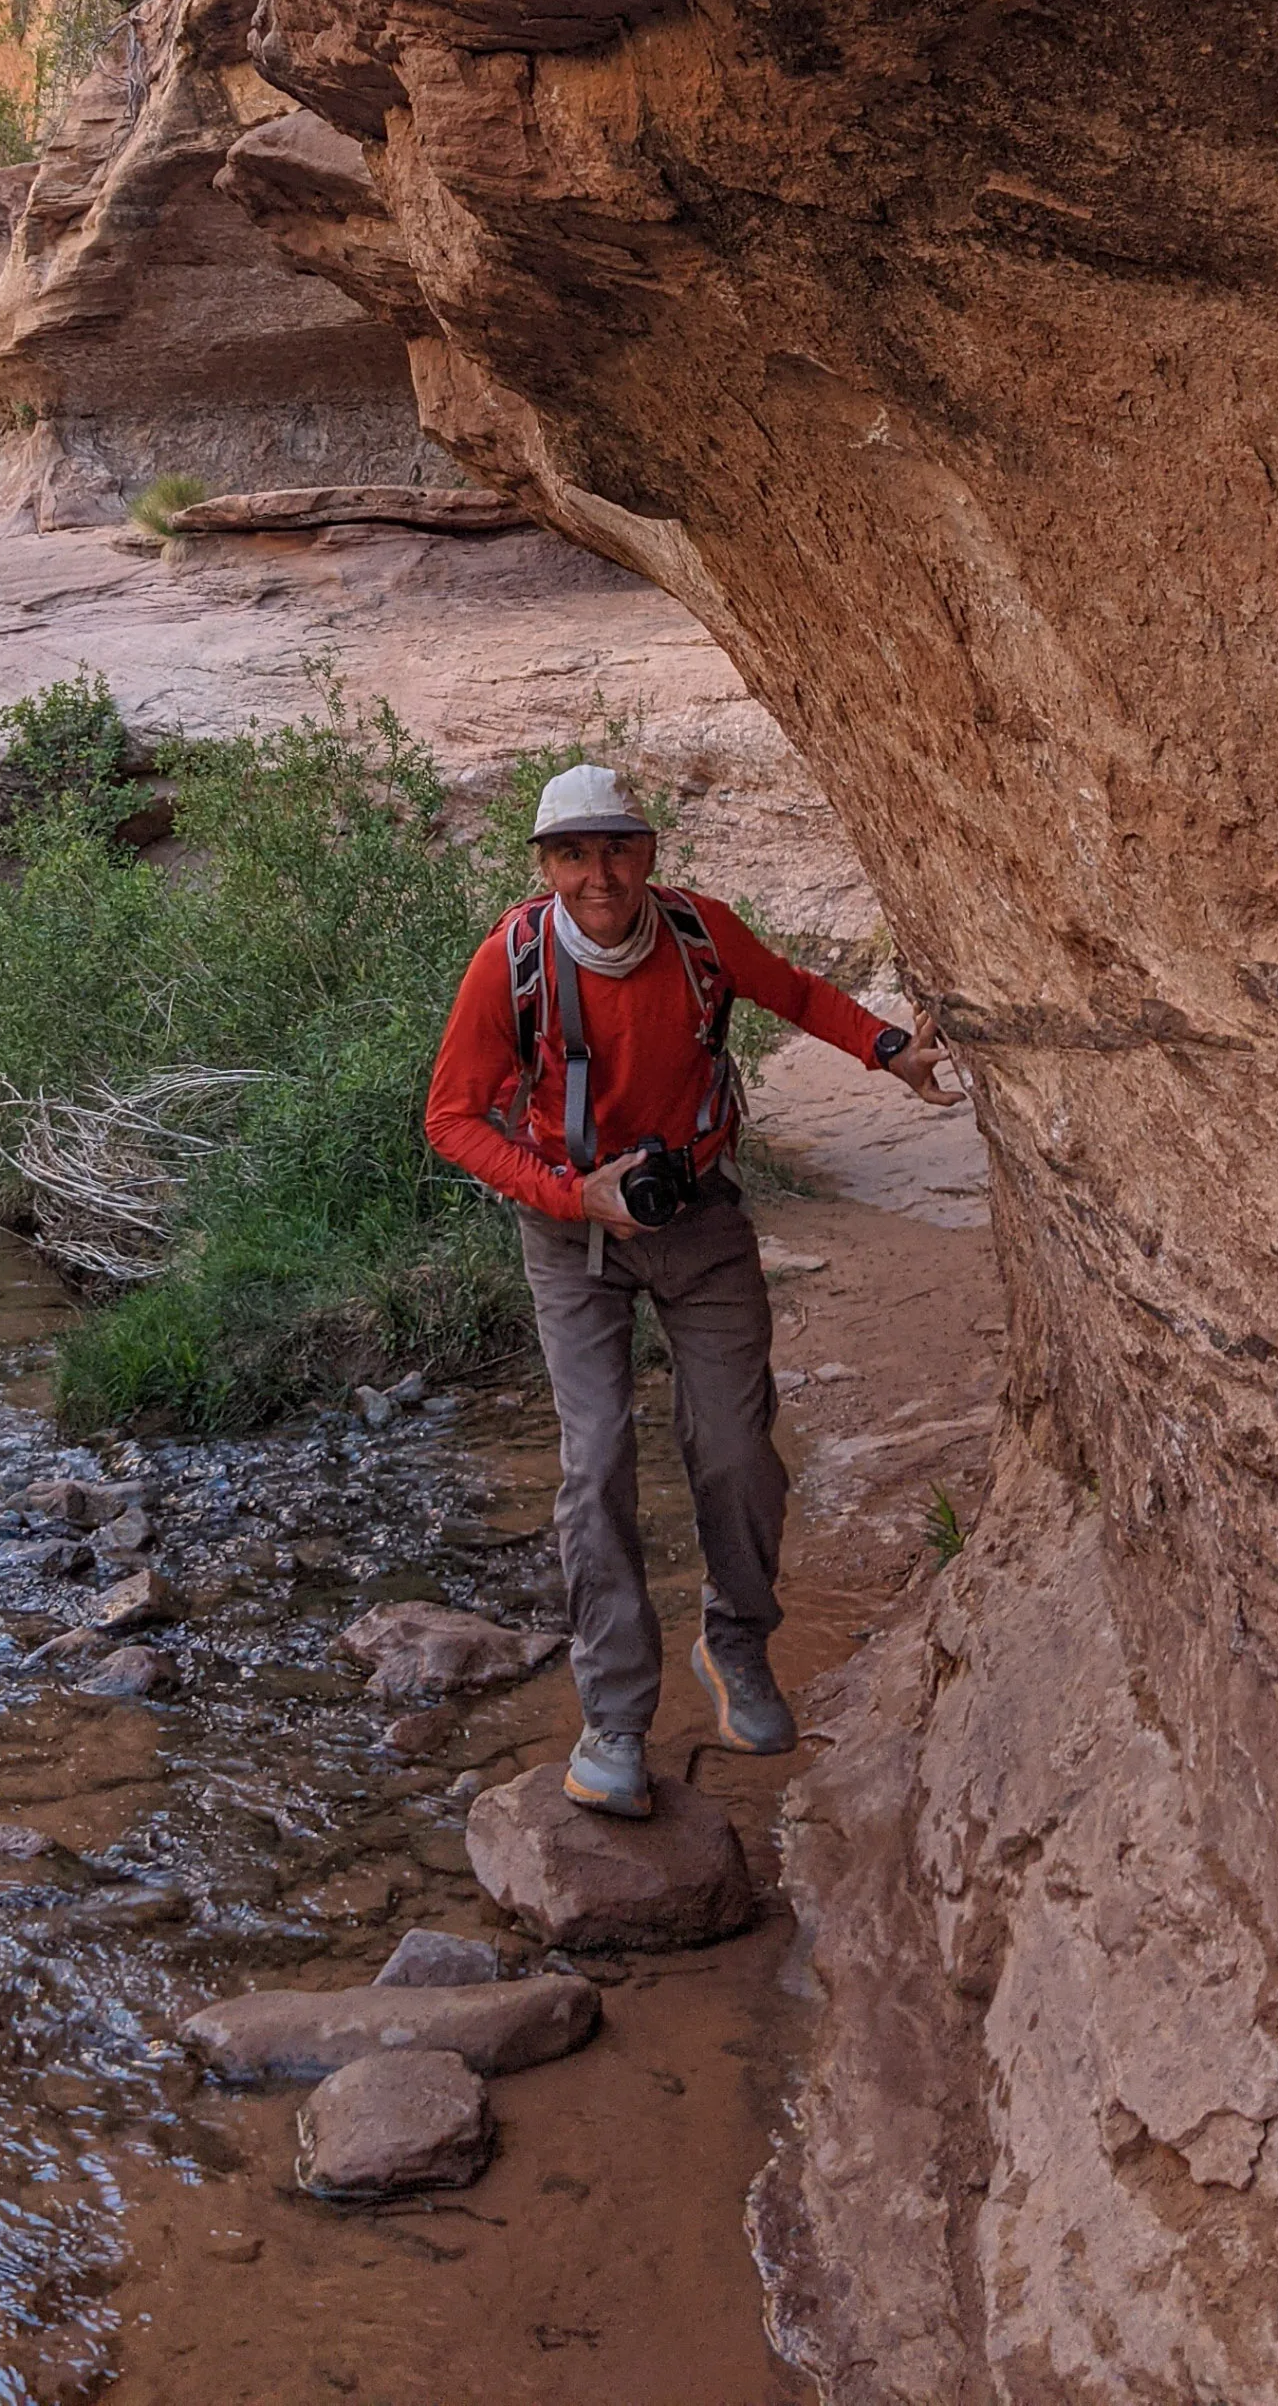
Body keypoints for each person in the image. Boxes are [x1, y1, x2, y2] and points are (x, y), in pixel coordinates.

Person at [424, 764, 961, 1818]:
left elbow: (791, 990)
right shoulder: (512, 963)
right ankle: (613, 1717)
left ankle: (736, 1648)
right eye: (573, 854)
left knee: (733, 1447)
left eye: (616, 848)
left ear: (650, 853)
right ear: (542, 866)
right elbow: (449, 1119)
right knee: (595, 1463)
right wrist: (574, 1195)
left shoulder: (698, 933)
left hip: (698, 1219)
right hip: (570, 1234)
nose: (598, 874)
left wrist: (885, 1049)